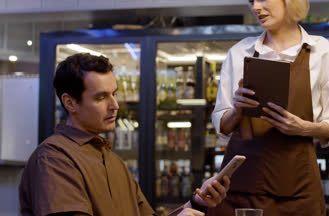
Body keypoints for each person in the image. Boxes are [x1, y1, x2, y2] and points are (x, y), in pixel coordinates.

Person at [208, 0, 329, 216]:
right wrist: (238, 110)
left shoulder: (322, 52)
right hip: (241, 186)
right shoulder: (240, 52)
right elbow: (222, 123)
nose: (255, 7)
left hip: (299, 188)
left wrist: (304, 128)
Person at [19, 53, 230, 216]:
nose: (115, 105)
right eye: (101, 97)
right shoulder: (54, 159)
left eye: (114, 94)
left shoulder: (113, 161)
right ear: (70, 102)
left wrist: (196, 203)